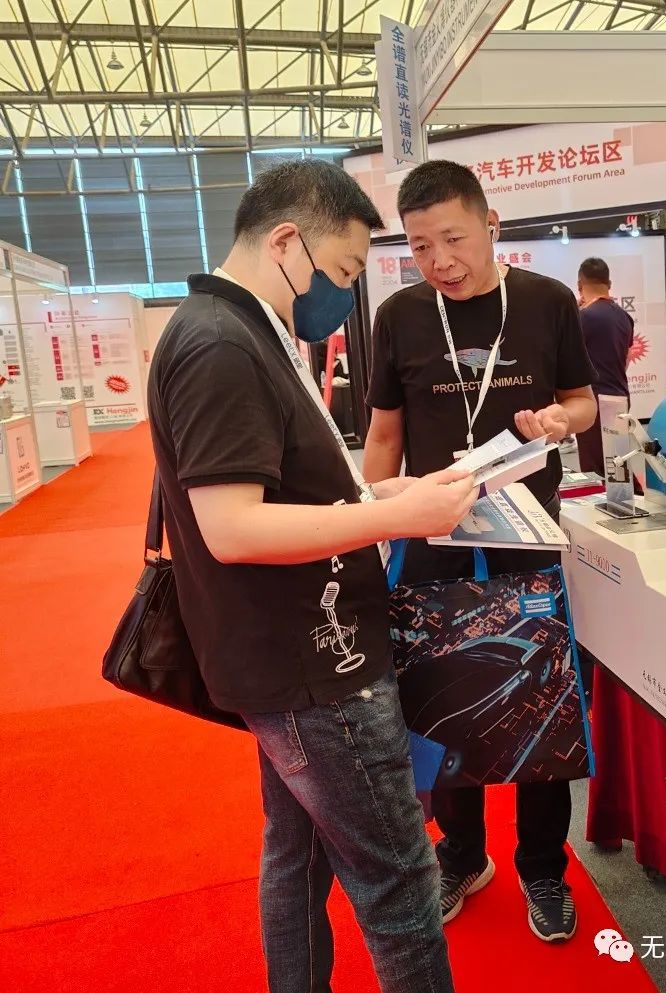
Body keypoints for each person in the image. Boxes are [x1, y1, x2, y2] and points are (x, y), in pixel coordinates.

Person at [147, 159, 478, 993]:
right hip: (317, 667)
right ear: (287, 241)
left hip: (294, 656)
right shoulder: (221, 344)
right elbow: (233, 527)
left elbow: (281, 487)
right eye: (344, 270)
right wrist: (393, 518)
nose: (345, 292)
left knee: (298, 856)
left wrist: (378, 494)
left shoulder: (238, 329)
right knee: (399, 878)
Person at [363, 159, 597, 944]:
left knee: (543, 703)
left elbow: (581, 401)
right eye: (420, 246)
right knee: (442, 701)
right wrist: (374, 517)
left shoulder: (546, 302)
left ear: (491, 224)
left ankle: (543, 866)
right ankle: (462, 854)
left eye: (454, 238)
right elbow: (385, 433)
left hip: (527, 536)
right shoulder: (399, 315)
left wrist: (561, 421)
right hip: (432, 541)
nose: (440, 260)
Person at [574, 257, 633, 475]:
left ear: (579, 285)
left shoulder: (582, 317)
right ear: (609, 283)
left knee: (595, 469)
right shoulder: (624, 317)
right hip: (619, 396)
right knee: (618, 465)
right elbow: (625, 360)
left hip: (593, 402)